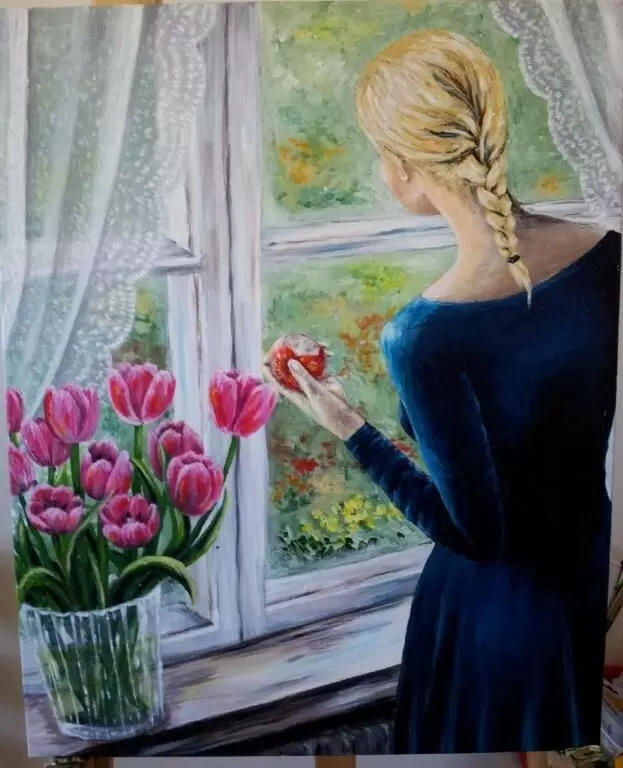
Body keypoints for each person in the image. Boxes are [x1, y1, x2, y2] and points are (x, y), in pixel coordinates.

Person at [263, 29, 622, 754]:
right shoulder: (610, 254)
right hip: (583, 591)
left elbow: (475, 536)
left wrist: (349, 427)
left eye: (378, 151)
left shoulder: (423, 336)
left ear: (402, 166)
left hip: (492, 626)